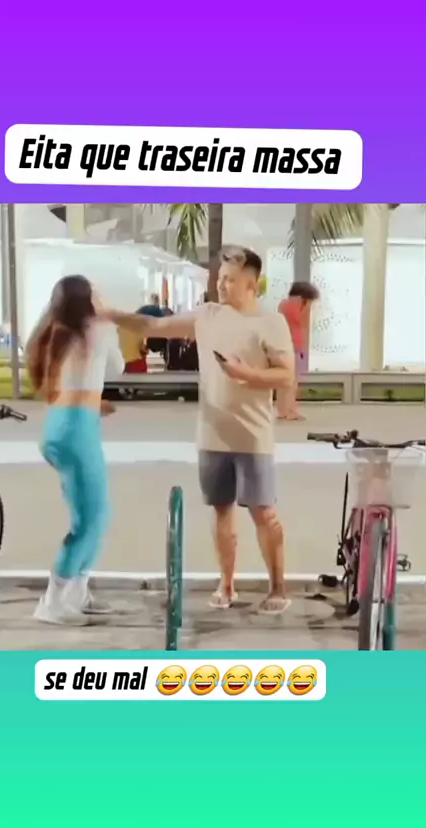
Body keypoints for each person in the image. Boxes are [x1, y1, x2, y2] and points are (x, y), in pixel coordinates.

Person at [100, 247, 295, 613]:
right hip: (212, 434)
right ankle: (226, 585)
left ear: (251, 284)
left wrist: (248, 374)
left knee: (264, 513)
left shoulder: (271, 322)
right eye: (220, 278)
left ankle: (278, 588)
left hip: (253, 436)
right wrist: (110, 313)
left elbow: (286, 375)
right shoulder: (207, 315)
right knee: (221, 511)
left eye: (230, 280)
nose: (221, 285)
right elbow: (154, 326)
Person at [26, 273, 124, 626]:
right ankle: (53, 602)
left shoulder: (52, 330)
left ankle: (77, 593)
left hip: (61, 425)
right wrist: (110, 318)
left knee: (93, 515)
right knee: (92, 519)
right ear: (88, 300)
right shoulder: (98, 328)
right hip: (78, 431)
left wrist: (97, 403)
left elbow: (75, 383)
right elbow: (118, 367)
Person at [276, 281, 319, 421]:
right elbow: (302, 324)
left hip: (282, 344)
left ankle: (282, 411)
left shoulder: (283, 304)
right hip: (296, 344)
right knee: (293, 382)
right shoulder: (303, 305)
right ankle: (291, 411)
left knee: (283, 382)